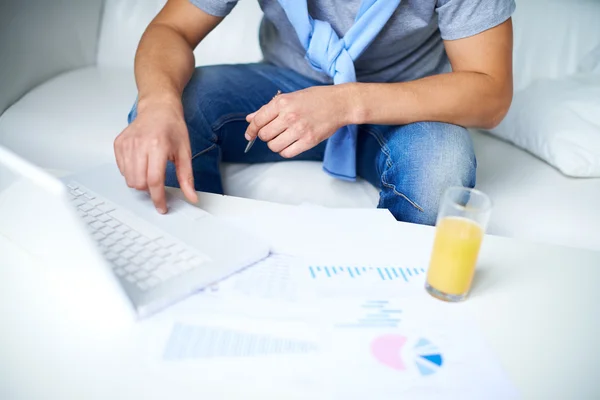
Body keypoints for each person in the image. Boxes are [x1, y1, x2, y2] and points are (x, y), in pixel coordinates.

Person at [114, 0, 515, 225]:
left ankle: (387, 310)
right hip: (284, 82)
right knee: (169, 112)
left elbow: (491, 91)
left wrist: (345, 102)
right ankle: (197, 261)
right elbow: (172, 30)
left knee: (439, 169)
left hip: (403, 102)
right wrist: (157, 104)